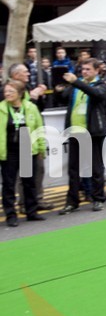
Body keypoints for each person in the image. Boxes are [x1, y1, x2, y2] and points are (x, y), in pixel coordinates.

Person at [57, 59, 106, 213]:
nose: (85, 72)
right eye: (83, 69)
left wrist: (76, 82)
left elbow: (97, 94)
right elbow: (63, 97)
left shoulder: (101, 85)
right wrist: (60, 89)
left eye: (88, 69)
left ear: (96, 71)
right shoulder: (76, 85)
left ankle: (98, 198)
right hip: (75, 131)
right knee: (73, 169)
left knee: (96, 168)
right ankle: (72, 201)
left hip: (93, 132)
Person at [1, 80, 47, 226]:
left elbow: (39, 128)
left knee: (29, 182)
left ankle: (31, 211)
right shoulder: (1, 108)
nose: (7, 94)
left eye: (11, 91)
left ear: (20, 93)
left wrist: (41, 148)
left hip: (27, 148)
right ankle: (11, 215)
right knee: (9, 184)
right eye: (6, 91)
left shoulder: (31, 107)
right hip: (9, 150)